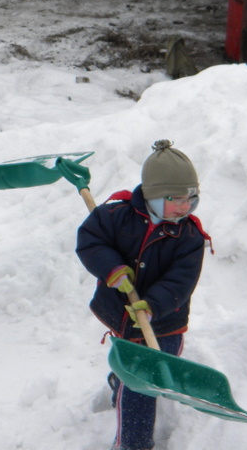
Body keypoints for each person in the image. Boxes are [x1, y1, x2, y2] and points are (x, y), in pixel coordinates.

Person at [75, 140, 210, 450]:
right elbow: (90, 241)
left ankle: (132, 438)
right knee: (133, 373)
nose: (184, 206)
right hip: (122, 316)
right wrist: (112, 269)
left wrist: (152, 304)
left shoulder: (189, 236)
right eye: (175, 199)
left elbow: (181, 280)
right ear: (151, 195)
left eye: (192, 198)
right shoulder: (115, 216)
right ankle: (124, 401)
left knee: (143, 385)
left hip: (165, 322)